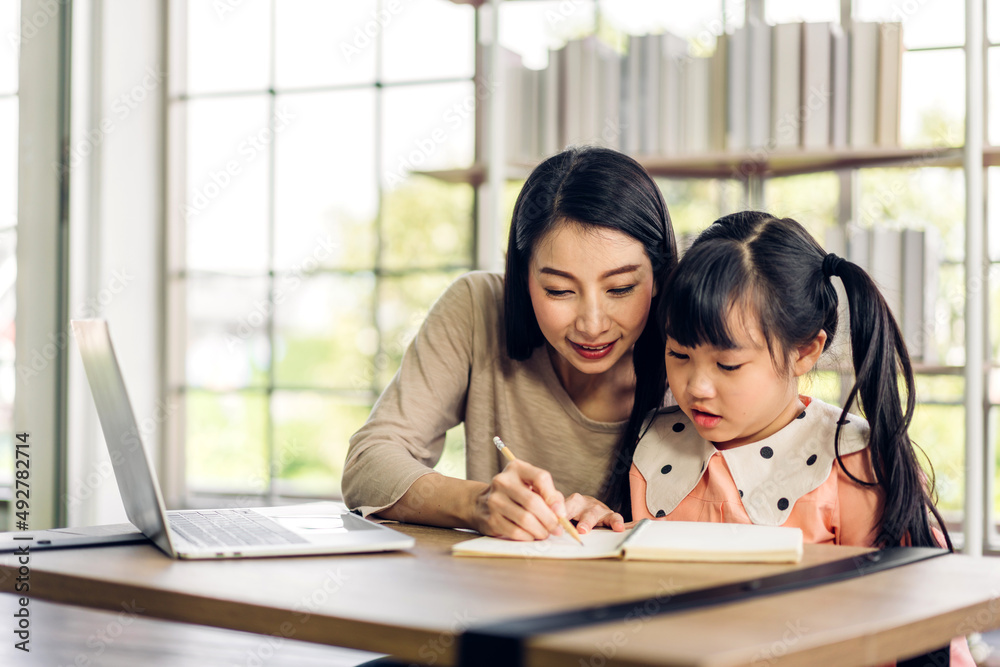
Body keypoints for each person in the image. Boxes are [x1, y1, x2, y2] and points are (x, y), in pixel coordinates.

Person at [613, 210, 972, 665]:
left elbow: (924, 629)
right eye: (678, 354)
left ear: (805, 351)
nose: (696, 386)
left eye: (728, 365)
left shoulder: (854, 463)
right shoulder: (653, 440)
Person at [342, 146, 678, 541]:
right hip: (499, 593)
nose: (592, 324)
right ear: (522, 277)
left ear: (658, 275)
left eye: (620, 288)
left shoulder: (695, 355)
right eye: (559, 290)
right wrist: (478, 502)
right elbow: (368, 464)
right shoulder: (478, 307)